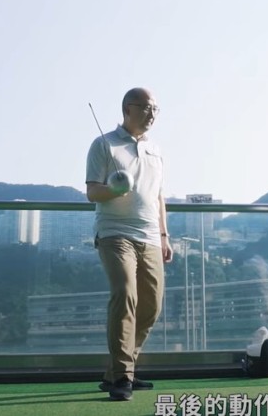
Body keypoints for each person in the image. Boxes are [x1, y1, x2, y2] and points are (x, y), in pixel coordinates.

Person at [86, 87, 174, 402]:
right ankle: (123, 376)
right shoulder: (103, 144)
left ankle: (118, 371)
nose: (152, 114)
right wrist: (115, 189)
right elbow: (92, 192)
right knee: (125, 294)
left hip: (150, 236)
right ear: (128, 108)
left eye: (155, 109)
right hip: (114, 233)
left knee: (151, 306)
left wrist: (164, 235)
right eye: (147, 108)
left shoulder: (155, 150)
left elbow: (158, 196)